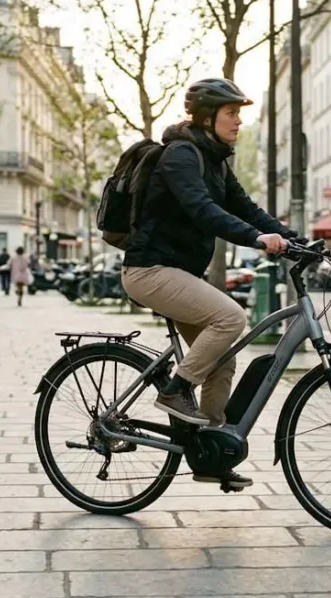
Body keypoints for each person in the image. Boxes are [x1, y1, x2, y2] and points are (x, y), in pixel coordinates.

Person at [120, 77, 295, 489]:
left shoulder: (214, 159)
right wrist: (255, 240)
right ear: (206, 117)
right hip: (149, 271)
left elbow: (245, 208)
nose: (239, 122)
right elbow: (202, 210)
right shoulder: (181, 156)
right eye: (232, 113)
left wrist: (295, 239)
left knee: (223, 357)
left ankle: (209, 451)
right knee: (231, 318)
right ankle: (176, 389)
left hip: (177, 273)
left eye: (239, 114)